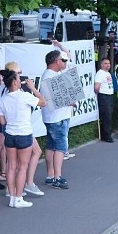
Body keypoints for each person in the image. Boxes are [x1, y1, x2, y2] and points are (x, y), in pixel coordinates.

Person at [0, 70, 46, 208]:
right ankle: (18, 198)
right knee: (22, 167)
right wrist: (33, 88)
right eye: (19, 79)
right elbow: (43, 102)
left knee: (11, 166)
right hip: (24, 134)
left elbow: (2, 121)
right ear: (14, 82)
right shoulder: (24, 96)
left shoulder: (3, 100)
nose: (21, 81)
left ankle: (12, 197)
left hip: (10, 134)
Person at [40, 41, 74, 189]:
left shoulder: (53, 74)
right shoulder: (50, 77)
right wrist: (70, 102)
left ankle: (50, 175)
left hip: (55, 116)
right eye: (63, 60)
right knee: (60, 146)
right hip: (57, 117)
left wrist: (60, 47)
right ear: (55, 62)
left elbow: (70, 57)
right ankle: (57, 177)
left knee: (51, 145)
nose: (65, 62)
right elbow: (54, 99)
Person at [94, 58, 115, 142]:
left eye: (109, 63)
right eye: (105, 63)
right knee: (106, 115)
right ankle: (106, 136)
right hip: (104, 96)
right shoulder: (100, 73)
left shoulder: (108, 73)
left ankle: (107, 132)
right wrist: (100, 93)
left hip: (109, 95)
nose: (108, 65)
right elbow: (97, 87)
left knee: (109, 115)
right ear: (101, 64)